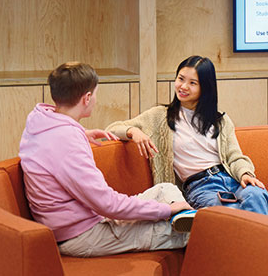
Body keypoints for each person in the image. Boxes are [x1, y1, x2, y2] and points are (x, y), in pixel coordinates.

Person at [19, 62, 193, 257]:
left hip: (73, 221)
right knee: (189, 234)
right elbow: (108, 205)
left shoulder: (39, 120)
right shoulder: (67, 142)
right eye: (95, 94)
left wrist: (81, 133)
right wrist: (165, 210)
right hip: (82, 234)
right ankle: (182, 218)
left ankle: (182, 216)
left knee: (166, 189)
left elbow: (52, 148)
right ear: (87, 98)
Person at [107, 55, 268, 216]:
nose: (183, 86)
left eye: (192, 83)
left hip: (231, 179)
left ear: (205, 88)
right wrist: (133, 131)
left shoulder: (220, 120)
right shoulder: (159, 117)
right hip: (199, 187)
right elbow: (113, 129)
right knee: (230, 214)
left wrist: (244, 173)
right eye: (180, 79)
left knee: (257, 195)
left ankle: (252, 241)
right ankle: (258, 241)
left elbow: (234, 157)